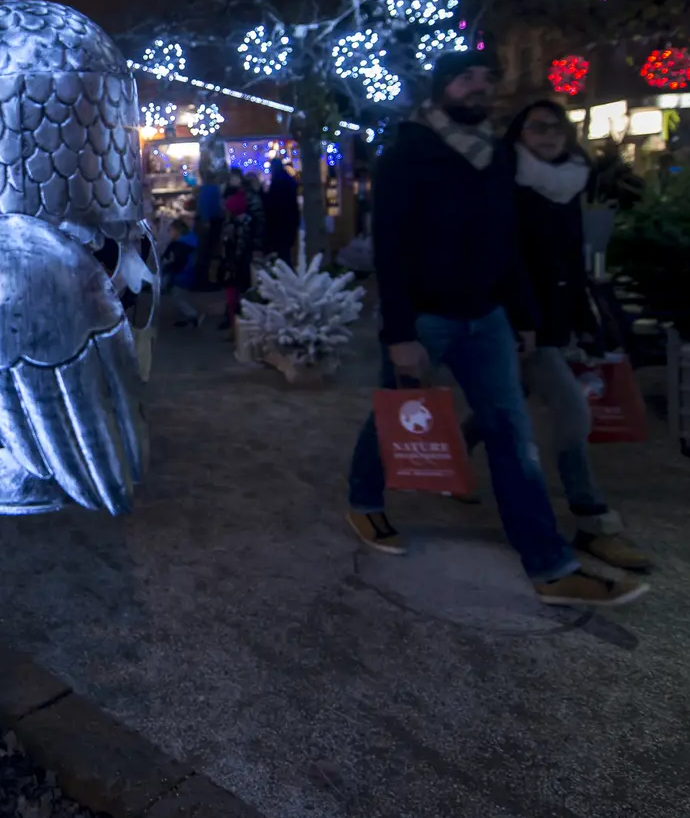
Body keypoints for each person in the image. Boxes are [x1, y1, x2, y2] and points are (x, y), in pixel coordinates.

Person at [344, 49, 648, 608]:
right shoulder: (409, 152)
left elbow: (506, 241)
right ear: (441, 87)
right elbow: (391, 245)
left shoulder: (497, 156)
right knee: (398, 414)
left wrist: (523, 316)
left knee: (513, 436)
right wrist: (400, 333)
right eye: (465, 78)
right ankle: (364, 498)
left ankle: (550, 566)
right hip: (427, 316)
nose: (478, 87)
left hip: (487, 317)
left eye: (486, 78)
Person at [503, 101, 651, 572]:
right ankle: (592, 519)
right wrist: (523, 320)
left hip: (555, 317)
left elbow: (570, 259)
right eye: (537, 127)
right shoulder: (507, 183)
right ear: (520, 133)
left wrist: (584, 316)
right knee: (571, 410)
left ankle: (459, 460)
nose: (548, 134)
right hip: (520, 321)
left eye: (556, 127)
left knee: (503, 401)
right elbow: (507, 259)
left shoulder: (570, 182)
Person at [216, 170, 259, 329]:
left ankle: (233, 317)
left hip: (236, 254)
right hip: (238, 253)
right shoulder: (248, 204)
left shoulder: (237, 219)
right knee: (237, 285)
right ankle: (234, 316)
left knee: (234, 285)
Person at [157, 218, 201, 326]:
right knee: (181, 297)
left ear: (177, 231)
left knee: (179, 298)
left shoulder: (179, 245)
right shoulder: (188, 242)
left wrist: (168, 268)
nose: (169, 232)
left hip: (181, 276)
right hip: (188, 274)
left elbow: (178, 262)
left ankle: (192, 315)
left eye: (170, 230)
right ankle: (190, 316)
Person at [263, 157, 300, 264]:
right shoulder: (288, 179)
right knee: (286, 252)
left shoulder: (277, 181)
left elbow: (273, 204)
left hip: (280, 224)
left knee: (281, 253)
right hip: (289, 221)